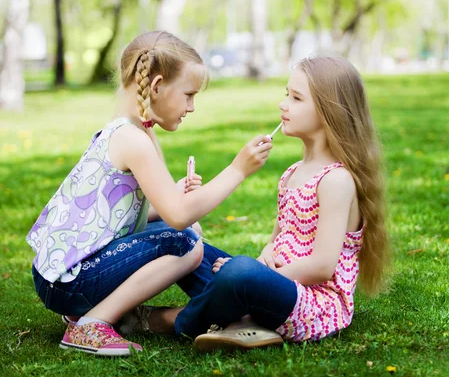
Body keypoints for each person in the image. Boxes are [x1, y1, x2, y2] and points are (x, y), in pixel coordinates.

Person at [27, 31, 273, 356]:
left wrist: (174, 199)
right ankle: (92, 325)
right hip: (70, 280)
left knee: (188, 233)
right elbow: (179, 216)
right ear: (156, 86)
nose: (192, 106)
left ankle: (233, 307)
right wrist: (238, 169)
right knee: (186, 243)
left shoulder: (133, 130)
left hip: (63, 274)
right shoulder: (133, 140)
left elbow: (140, 215)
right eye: (188, 95)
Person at [142, 56, 391, 351]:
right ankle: (241, 319)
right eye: (287, 94)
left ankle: (173, 321)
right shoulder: (292, 174)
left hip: (312, 305)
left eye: (296, 98)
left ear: (329, 112)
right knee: (183, 240)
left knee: (240, 273)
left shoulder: (336, 180)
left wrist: (257, 273)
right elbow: (277, 243)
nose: (282, 105)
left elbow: (323, 266)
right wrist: (261, 263)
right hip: (276, 286)